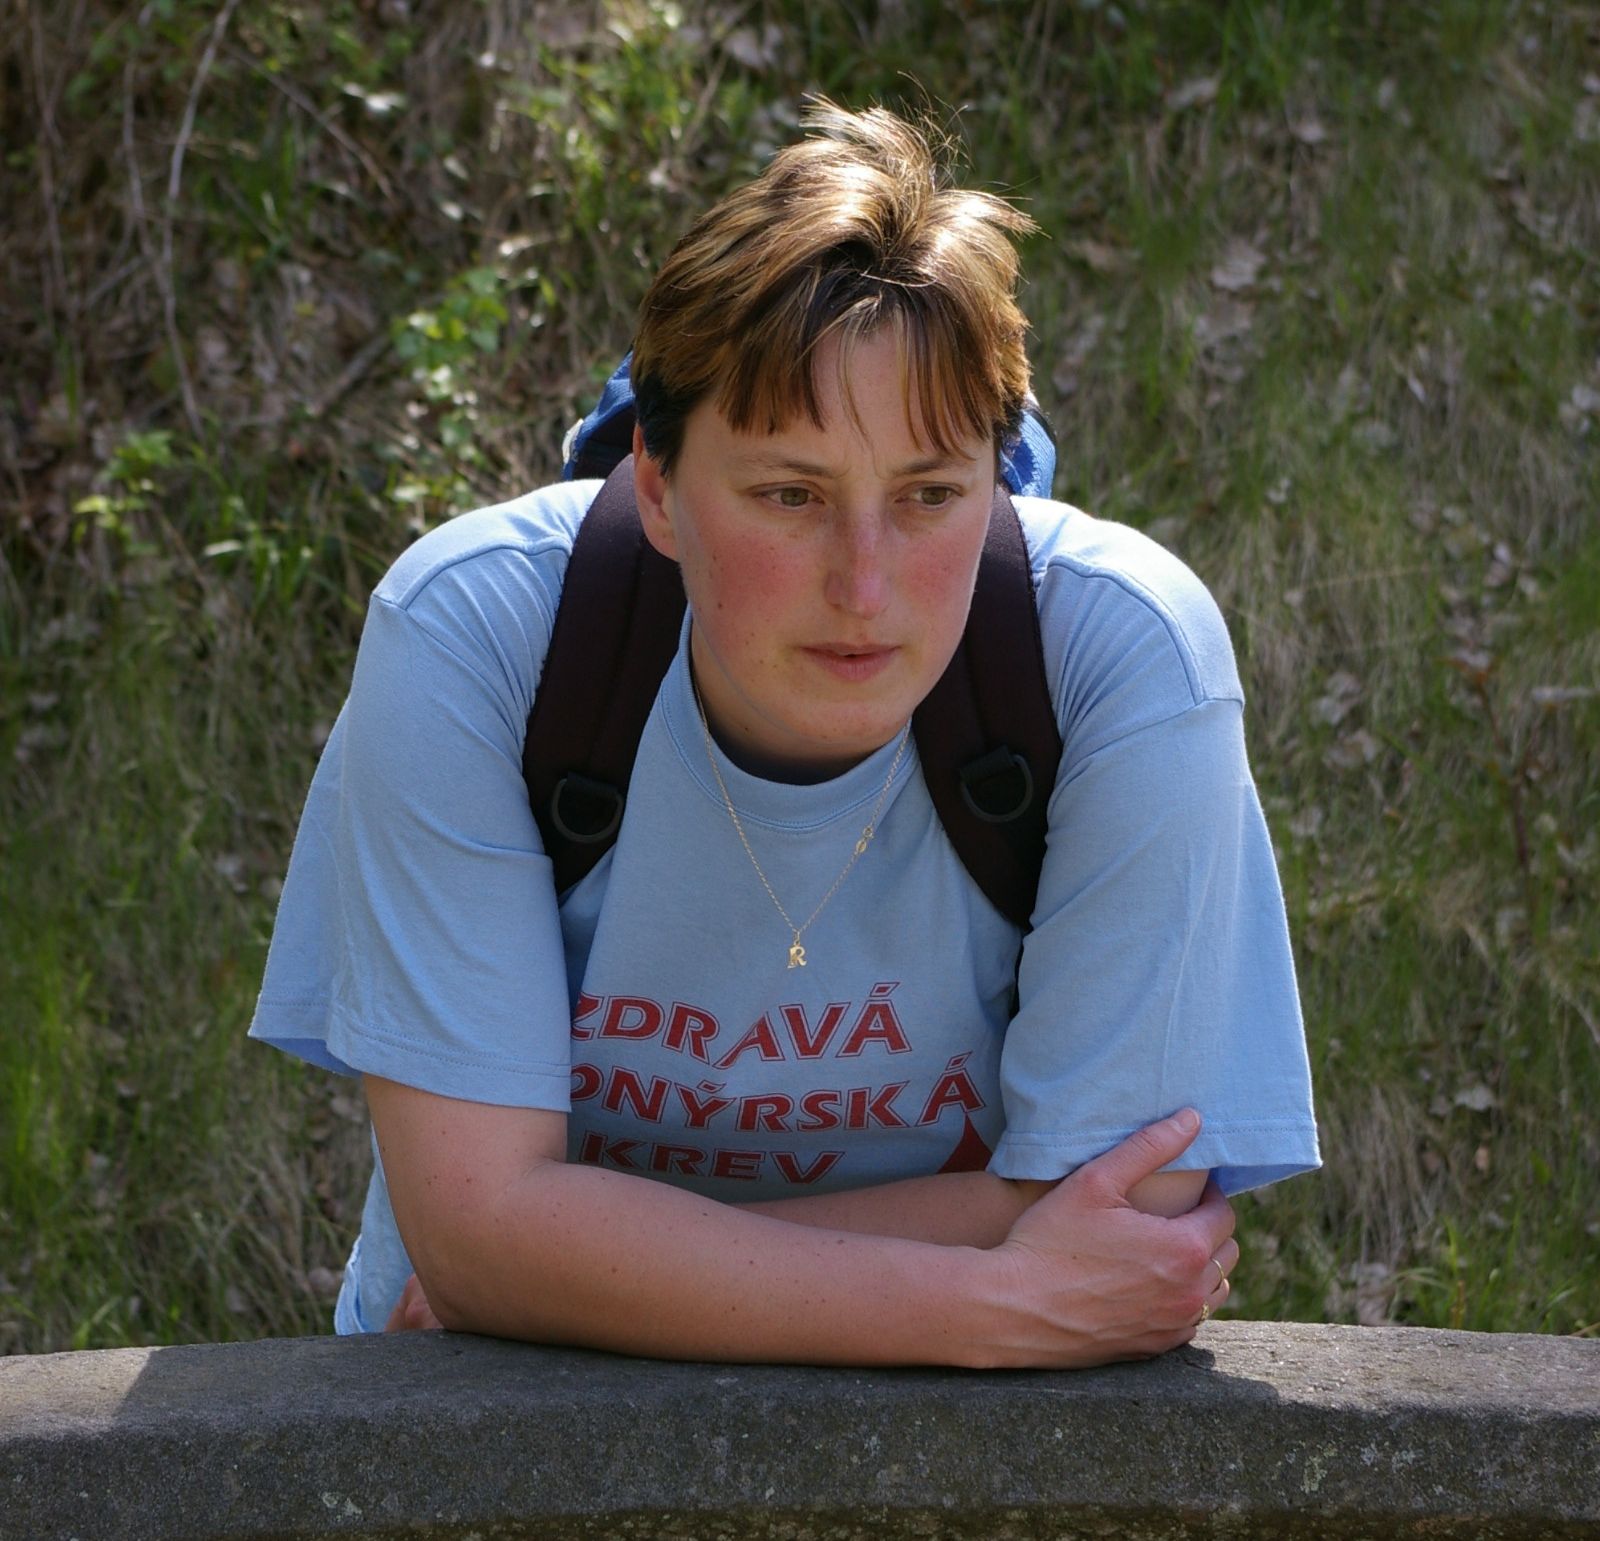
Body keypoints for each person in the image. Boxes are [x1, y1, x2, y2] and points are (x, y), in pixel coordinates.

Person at [249, 100, 1319, 1368]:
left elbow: (1120, 1205)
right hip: (505, 1427)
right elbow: (479, 1240)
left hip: (936, 1433)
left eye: (929, 494)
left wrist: (564, 1267)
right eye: (790, 494)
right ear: (656, 484)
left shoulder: (1123, 656)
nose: (864, 584)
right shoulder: (475, 633)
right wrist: (984, 1298)